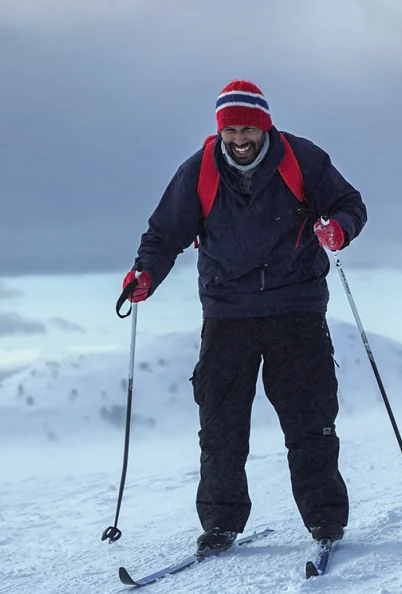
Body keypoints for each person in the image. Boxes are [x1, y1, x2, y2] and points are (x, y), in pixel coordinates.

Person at [123, 79, 367, 553]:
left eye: (248, 130)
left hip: (296, 304)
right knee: (220, 423)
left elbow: (349, 204)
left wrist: (339, 229)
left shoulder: (302, 159)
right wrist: (146, 274)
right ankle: (220, 523)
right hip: (227, 311)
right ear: (220, 130)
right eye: (231, 130)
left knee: (311, 419)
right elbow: (164, 234)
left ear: (265, 127)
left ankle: (325, 520)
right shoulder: (198, 171)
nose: (240, 139)